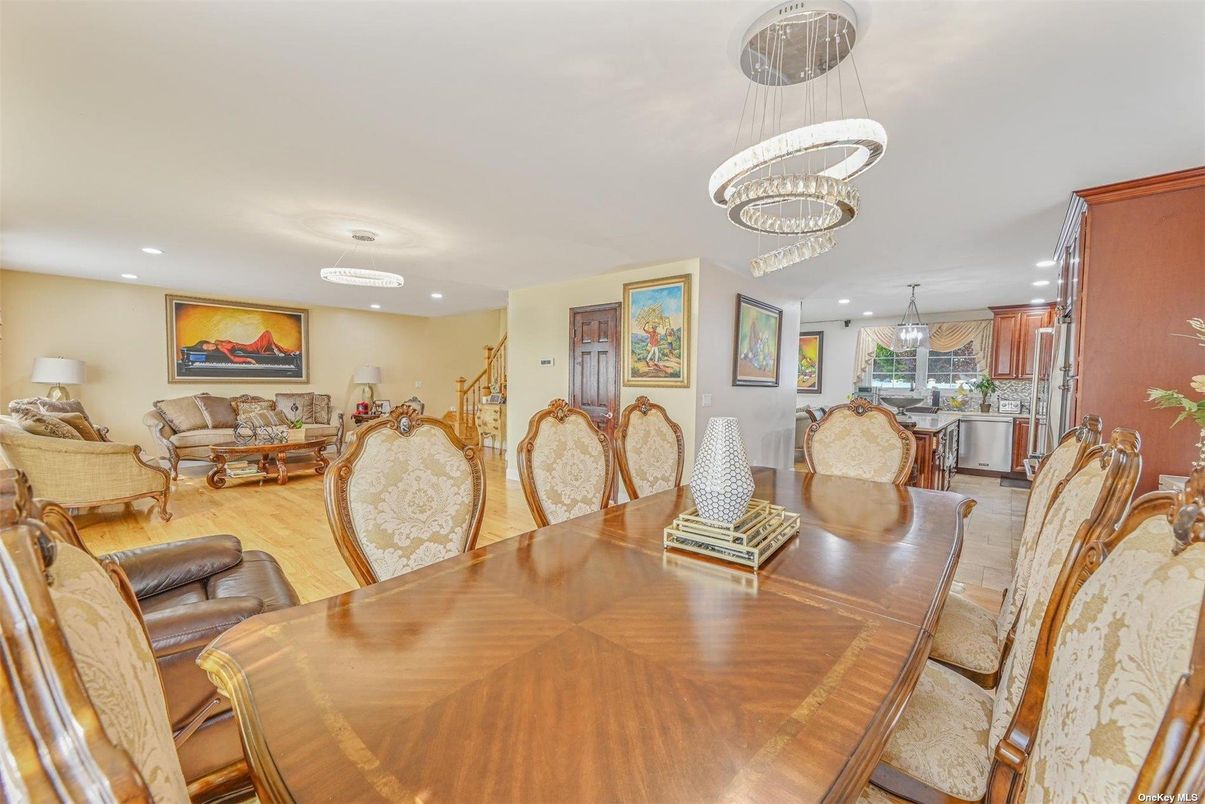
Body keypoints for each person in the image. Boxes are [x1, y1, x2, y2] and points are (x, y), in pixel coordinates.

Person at [184, 330, 297, 364]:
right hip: (251, 348)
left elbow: (223, 341)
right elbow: (233, 359)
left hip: (249, 346)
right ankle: (280, 351)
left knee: (271, 341)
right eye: (207, 349)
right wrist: (249, 359)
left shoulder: (218, 342)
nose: (210, 347)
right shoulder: (222, 349)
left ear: (207, 341)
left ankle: (289, 352)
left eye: (207, 345)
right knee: (267, 334)